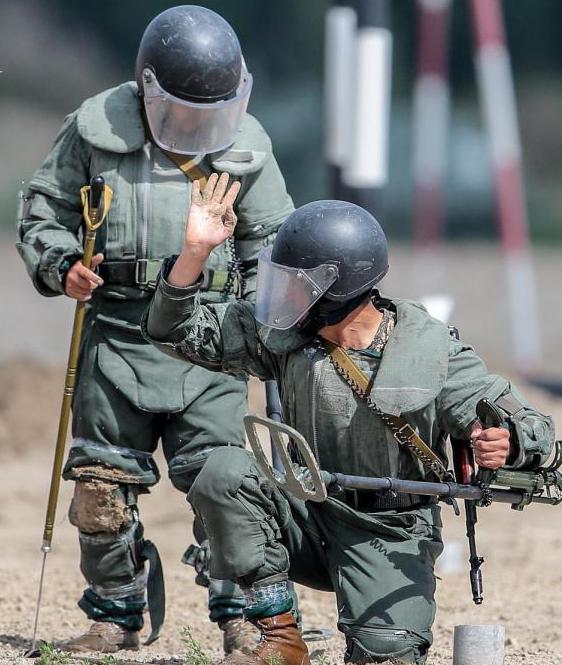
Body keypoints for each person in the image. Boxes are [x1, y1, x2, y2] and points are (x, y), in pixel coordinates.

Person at [143, 176, 555, 665]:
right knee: (224, 474)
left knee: (386, 655)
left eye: (297, 285)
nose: (283, 295)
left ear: (337, 291)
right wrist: (194, 253)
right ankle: (279, 636)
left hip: (389, 529)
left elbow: (531, 425)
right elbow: (173, 331)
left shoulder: (430, 350)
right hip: (305, 512)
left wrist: (507, 443)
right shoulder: (284, 334)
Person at [16, 5, 294, 655]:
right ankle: (116, 609)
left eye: (213, 109)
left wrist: (266, 330)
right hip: (115, 331)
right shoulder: (93, 131)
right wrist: (63, 267)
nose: (200, 124)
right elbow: (43, 211)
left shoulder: (247, 146)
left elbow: (272, 246)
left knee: (225, 484)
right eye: (184, 109)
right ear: (148, 89)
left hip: (209, 340)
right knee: (99, 484)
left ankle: (243, 618)